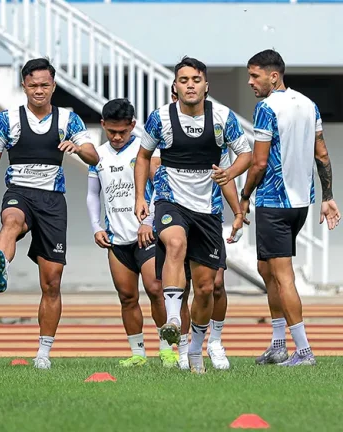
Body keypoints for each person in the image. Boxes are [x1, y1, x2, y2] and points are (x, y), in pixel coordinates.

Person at [0, 58, 99, 369]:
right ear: (23, 86)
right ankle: (0, 263)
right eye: (33, 85)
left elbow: (94, 156)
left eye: (44, 85)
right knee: (11, 221)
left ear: (53, 86)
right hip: (19, 193)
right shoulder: (7, 120)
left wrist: (77, 148)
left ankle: (43, 352)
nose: (39, 90)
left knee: (51, 282)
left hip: (53, 202)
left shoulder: (68, 120)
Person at [134, 57, 252, 373]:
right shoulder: (160, 118)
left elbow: (246, 154)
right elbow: (143, 157)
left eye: (196, 79)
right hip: (170, 202)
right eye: (184, 79)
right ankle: (173, 319)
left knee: (205, 288)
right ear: (175, 85)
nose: (190, 84)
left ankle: (199, 348)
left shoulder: (223, 118)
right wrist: (139, 199)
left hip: (208, 210)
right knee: (174, 243)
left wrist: (230, 177)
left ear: (205, 85)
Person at [241, 49, 340, 367]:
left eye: (255, 76)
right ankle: (277, 344)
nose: (250, 82)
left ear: (274, 76)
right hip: (300, 204)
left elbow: (258, 163)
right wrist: (327, 197)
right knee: (266, 270)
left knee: (282, 277)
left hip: (273, 203)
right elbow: (322, 154)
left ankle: (304, 351)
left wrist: (244, 195)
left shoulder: (266, 108)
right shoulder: (308, 105)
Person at [87, 98, 177, 368]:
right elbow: (93, 194)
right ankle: (138, 354)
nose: (116, 137)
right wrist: (96, 227)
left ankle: (167, 349)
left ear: (133, 126)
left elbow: (160, 191)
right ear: (103, 125)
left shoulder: (145, 152)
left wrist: (148, 221)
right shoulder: (97, 155)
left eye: (122, 132)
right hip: (116, 239)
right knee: (127, 297)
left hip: (146, 236)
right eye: (111, 131)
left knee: (155, 289)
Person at [165, 85, 246, 371]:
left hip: (207, 216)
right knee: (181, 284)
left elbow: (225, 176)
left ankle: (215, 342)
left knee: (214, 286)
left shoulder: (214, 134)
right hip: (173, 213)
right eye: (177, 94)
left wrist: (237, 211)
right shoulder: (164, 128)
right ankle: (185, 348)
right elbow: (150, 169)